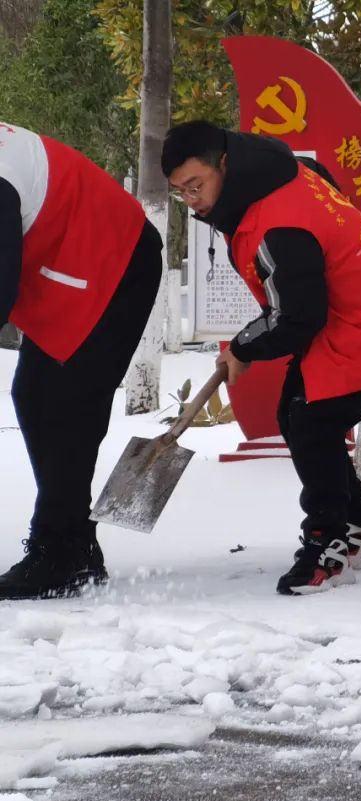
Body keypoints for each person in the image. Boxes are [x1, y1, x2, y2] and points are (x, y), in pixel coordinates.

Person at [161, 121, 361, 595]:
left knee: (309, 419)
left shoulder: (276, 223)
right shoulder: (286, 170)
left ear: (224, 164)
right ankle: (359, 532)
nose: (192, 200)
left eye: (196, 185)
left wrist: (244, 348)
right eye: (179, 192)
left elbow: (297, 318)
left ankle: (327, 545)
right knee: (300, 414)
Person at [0, 122, 163, 600]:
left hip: (115, 259)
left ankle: (59, 551)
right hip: (70, 259)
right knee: (36, 396)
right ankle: (74, 545)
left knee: (63, 402)